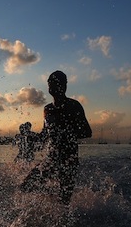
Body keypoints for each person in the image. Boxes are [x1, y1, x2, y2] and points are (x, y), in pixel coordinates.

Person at [21, 71, 92, 205]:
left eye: (56, 83)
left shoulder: (73, 106)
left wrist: (65, 133)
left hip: (69, 160)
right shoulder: (47, 109)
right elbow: (44, 134)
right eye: (50, 83)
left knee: (64, 202)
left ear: (64, 86)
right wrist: (32, 137)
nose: (52, 86)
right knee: (26, 186)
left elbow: (87, 132)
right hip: (51, 159)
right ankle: (46, 204)